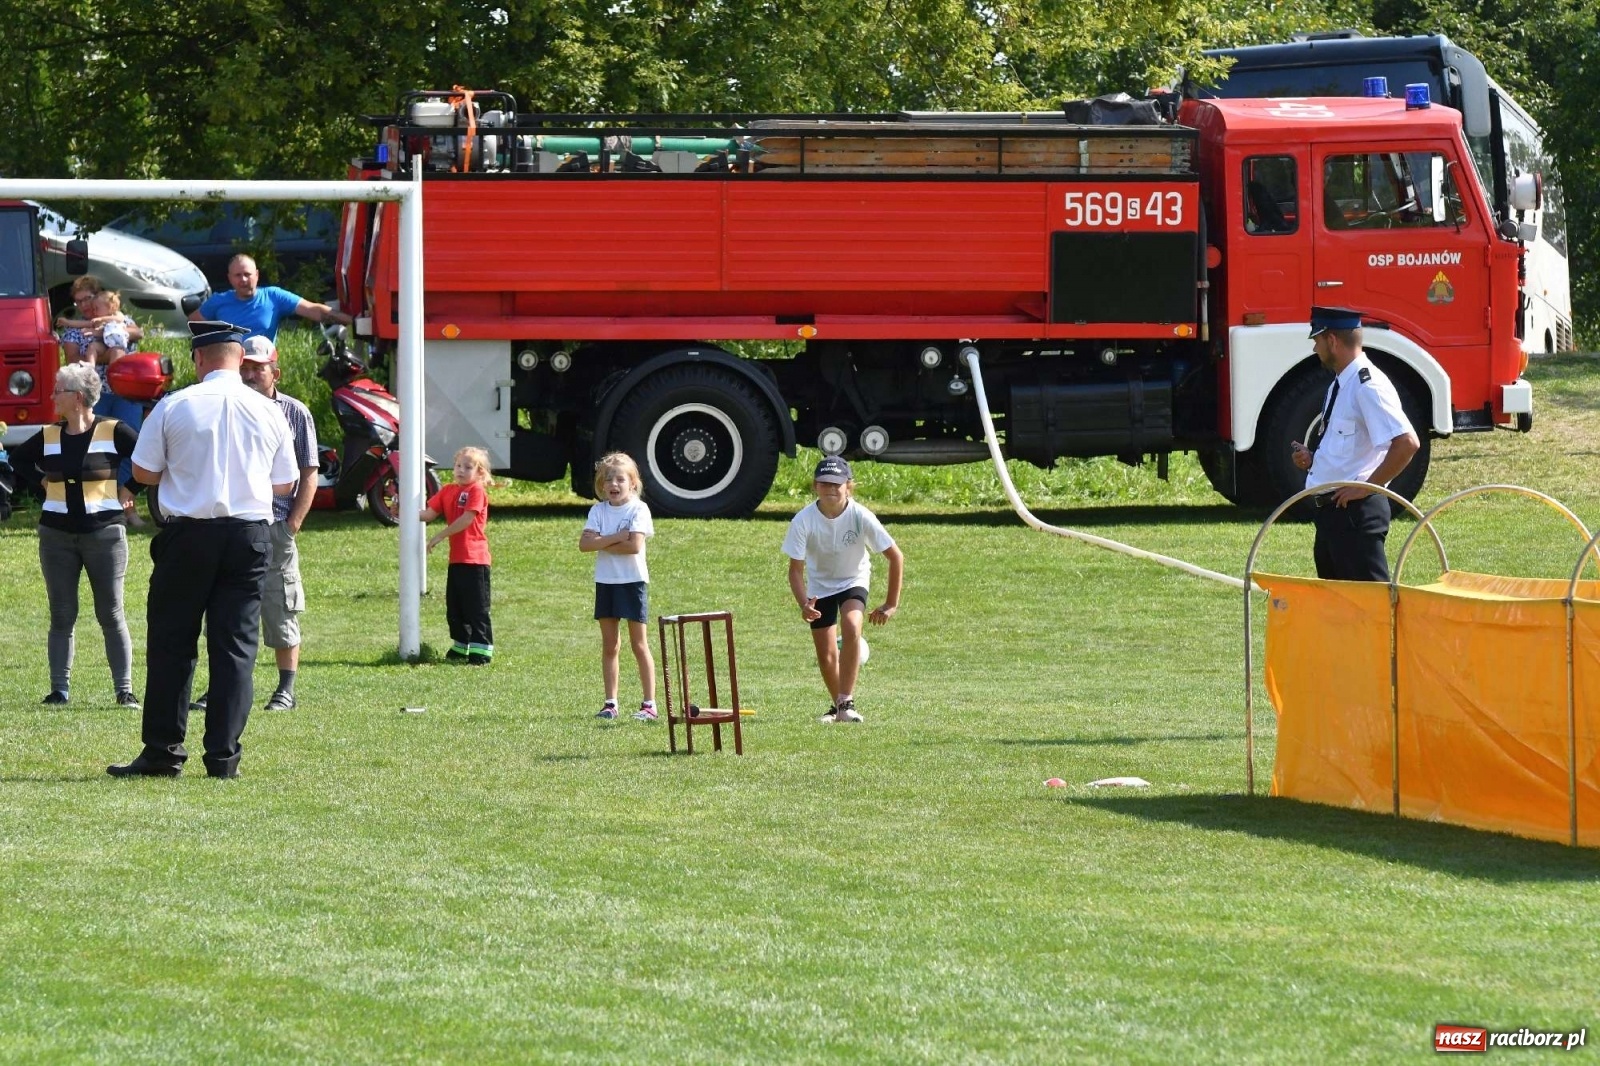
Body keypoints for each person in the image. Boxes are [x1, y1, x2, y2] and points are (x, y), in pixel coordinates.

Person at [107, 320, 298, 779]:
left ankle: (162, 751)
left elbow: (146, 473)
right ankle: (223, 758)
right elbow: (285, 483)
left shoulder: (174, 406)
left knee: (172, 643)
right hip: (250, 535)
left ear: (199, 360)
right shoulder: (270, 410)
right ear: (239, 360)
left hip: (189, 535)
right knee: (235, 647)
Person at [5, 362, 142, 708]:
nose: (52, 396)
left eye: (57, 391)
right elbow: (18, 459)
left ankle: (124, 691)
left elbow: (149, 458)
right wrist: (41, 482)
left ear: (77, 398)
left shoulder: (114, 430)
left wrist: (130, 489)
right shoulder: (50, 434)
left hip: (105, 535)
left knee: (111, 613)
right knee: (61, 614)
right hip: (56, 537)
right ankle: (59, 691)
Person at [1290, 306, 1421, 582]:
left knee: (1369, 612)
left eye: (1317, 341)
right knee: (1340, 615)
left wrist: (1364, 489)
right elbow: (1350, 447)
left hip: (1355, 516)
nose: (1315, 349)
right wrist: (1314, 460)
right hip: (1333, 515)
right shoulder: (1341, 384)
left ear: (1332, 340)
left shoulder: (1368, 385)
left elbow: (1407, 443)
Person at [782, 456, 903, 723]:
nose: (831, 489)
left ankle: (846, 702)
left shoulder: (861, 516)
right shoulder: (803, 521)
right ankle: (837, 707)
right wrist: (804, 603)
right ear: (815, 486)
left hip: (852, 580)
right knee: (826, 655)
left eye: (837, 484)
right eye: (825, 483)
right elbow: (795, 571)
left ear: (849, 486)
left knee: (851, 626)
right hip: (819, 588)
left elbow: (896, 556)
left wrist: (890, 604)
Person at [239, 335, 319, 709]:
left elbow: (309, 471)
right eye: (246, 368)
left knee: (280, 602)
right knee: (232, 604)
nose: (252, 374)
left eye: (259, 368)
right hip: (235, 521)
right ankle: (226, 685)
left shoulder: (295, 412)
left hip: (275, 522)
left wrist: (292, 524)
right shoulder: (229, 406)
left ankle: (285, 688)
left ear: (276, 372)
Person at [578, 452, 656, 721]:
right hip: (606, 582)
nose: (613, 484)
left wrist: (602, 541)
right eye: (608, 479)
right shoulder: (598, 511)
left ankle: (649, 704)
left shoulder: (638, 509)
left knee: (639, 644)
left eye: (620, 479)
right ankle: (611, 703)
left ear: (632, 483)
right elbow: (585, 545)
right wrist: (615, 538)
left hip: (632, 582)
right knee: (610, 645)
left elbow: (634, 546)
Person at [420, 446, 494, 666]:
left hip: (476, 560)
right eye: (458, 465)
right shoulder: (448, 491)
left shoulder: (476, 491)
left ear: (479, 472)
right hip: (457, 560)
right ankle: (461, 646)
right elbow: (429, 513)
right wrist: (402, 510)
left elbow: (466, 520)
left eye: (468, 467)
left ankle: (481, 650)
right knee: (455, 607)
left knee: (477, 608)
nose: (461, 470)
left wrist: (439, 536)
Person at [190, 253, 352, 341]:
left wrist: (351, 320)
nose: (243, 280)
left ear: (257, 275)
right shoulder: (218, 301)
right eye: (238, 275)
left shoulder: (273, 296)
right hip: (230, 367)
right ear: (230, 278)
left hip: (262, 365)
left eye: (247, 274)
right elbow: (193, 324)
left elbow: (312, 309)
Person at [56, 275, 143, 364]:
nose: (83, 305)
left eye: (87, 298)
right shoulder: (73, 330)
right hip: (94, 376)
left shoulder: (116, 317)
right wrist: (105, 358)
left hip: (125, 372)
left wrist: (107, 332)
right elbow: (72, 360)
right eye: (78, 301)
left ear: (98, 295)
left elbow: (139, 333)